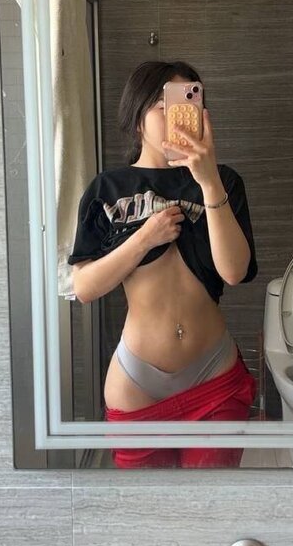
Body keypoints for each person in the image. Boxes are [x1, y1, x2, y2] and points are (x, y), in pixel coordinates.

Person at [68, 60, 258, 468]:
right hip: (136, 383)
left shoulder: (224, 181)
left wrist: (208, 180)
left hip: (213, 374)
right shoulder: (107, 189)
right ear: (137, 118)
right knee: (146, 505)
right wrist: (144, 238)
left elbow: (234, 272)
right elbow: (83, 288)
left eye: (187, 105)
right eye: (162, 106)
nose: (176, 117)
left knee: (211, 501)